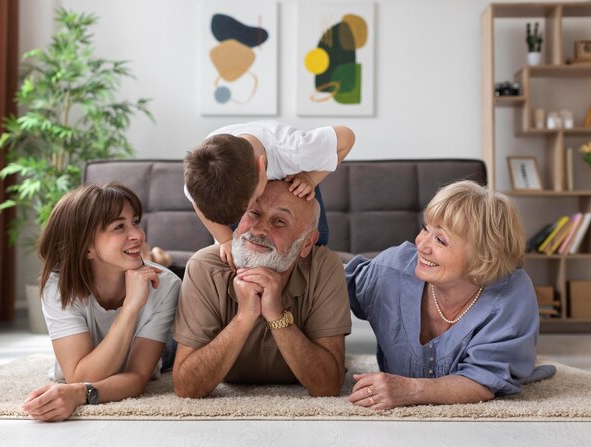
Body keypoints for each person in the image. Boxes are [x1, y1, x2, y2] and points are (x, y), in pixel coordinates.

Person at [345, 180, 556, 410]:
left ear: (483, 254)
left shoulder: (511, 295)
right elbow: (332, 288)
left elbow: (481, 380)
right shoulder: (391, 270)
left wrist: (410, 390)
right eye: (425, 228)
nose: (421, 245)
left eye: (440, 240)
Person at [172, 180, 351, 398]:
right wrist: (244, 318)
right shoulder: (204, 266)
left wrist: (275, 314)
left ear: (306, 244)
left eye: (279, 221)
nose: (258, 229)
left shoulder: (325, 267)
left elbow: (328, 386)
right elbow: (186, 387)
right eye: (254, 213)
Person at [22, 182, 181, 422]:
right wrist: (130, 308)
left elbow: (137, 377)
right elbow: (79, 374)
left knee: (173, 348)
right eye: (119, 227)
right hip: (110, 339)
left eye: (135, 222)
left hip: (161, 347)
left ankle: (158, 257)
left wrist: (78, 395)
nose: (138, 234)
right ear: (87, 248)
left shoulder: (165, 285)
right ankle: (156, 255)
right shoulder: (59, 287)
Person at [184, 120, 355, 270]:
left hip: (292, 176)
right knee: (234, 257)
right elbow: (196, 202)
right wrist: (225, 240)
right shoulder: (203, 171)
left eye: (250, 205)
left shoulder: (296, 151)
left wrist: (310, 178)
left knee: (314, 246)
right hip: (233, 174)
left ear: (261, 168)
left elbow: (346, 137)